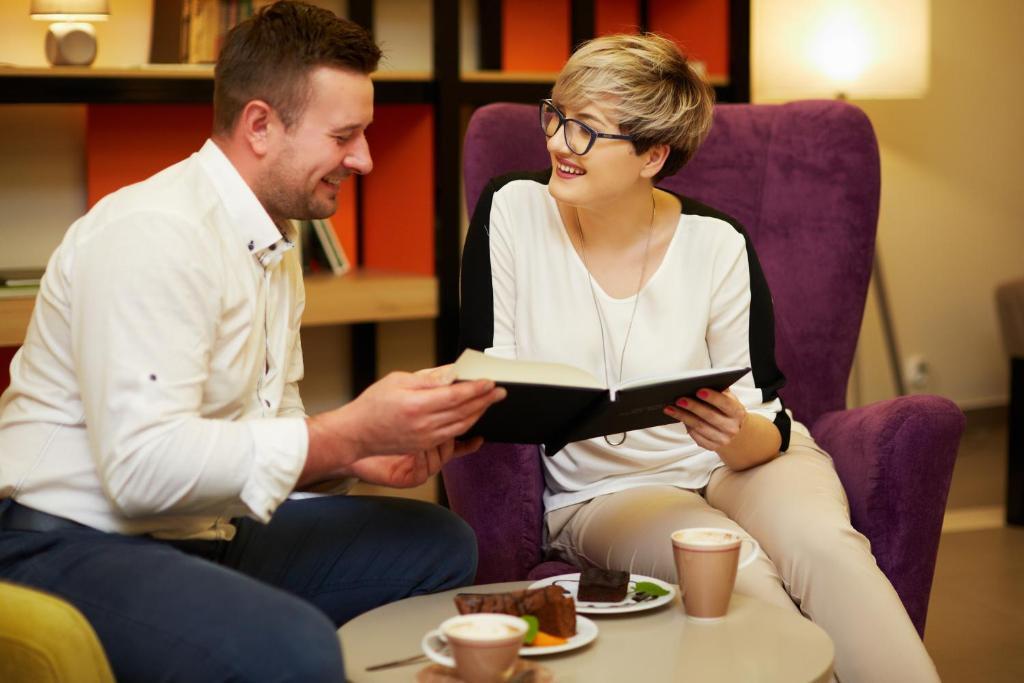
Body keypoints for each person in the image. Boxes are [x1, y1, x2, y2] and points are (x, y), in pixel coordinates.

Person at [0, 3, 504, 682]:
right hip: (65, 542)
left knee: (439, 542)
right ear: (260, 125)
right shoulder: (153, 233)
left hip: (203, 529)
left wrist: (362, 454)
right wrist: (346, 433)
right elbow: (142, 470)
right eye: (345, 136)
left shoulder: (273, 242)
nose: (363, 158)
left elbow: (265, 429)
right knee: (292, 647)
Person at [459, 33, 938, 682]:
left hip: (743, 461)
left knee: (829, 549)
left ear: (653, 155)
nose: (559, 143)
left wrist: (735, 434)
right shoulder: (513, 210)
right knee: (737, 567)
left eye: (587, 130)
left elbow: (762, 413)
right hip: (609, 491)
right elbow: (497, 371)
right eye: (557, 115)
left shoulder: (716, 242)